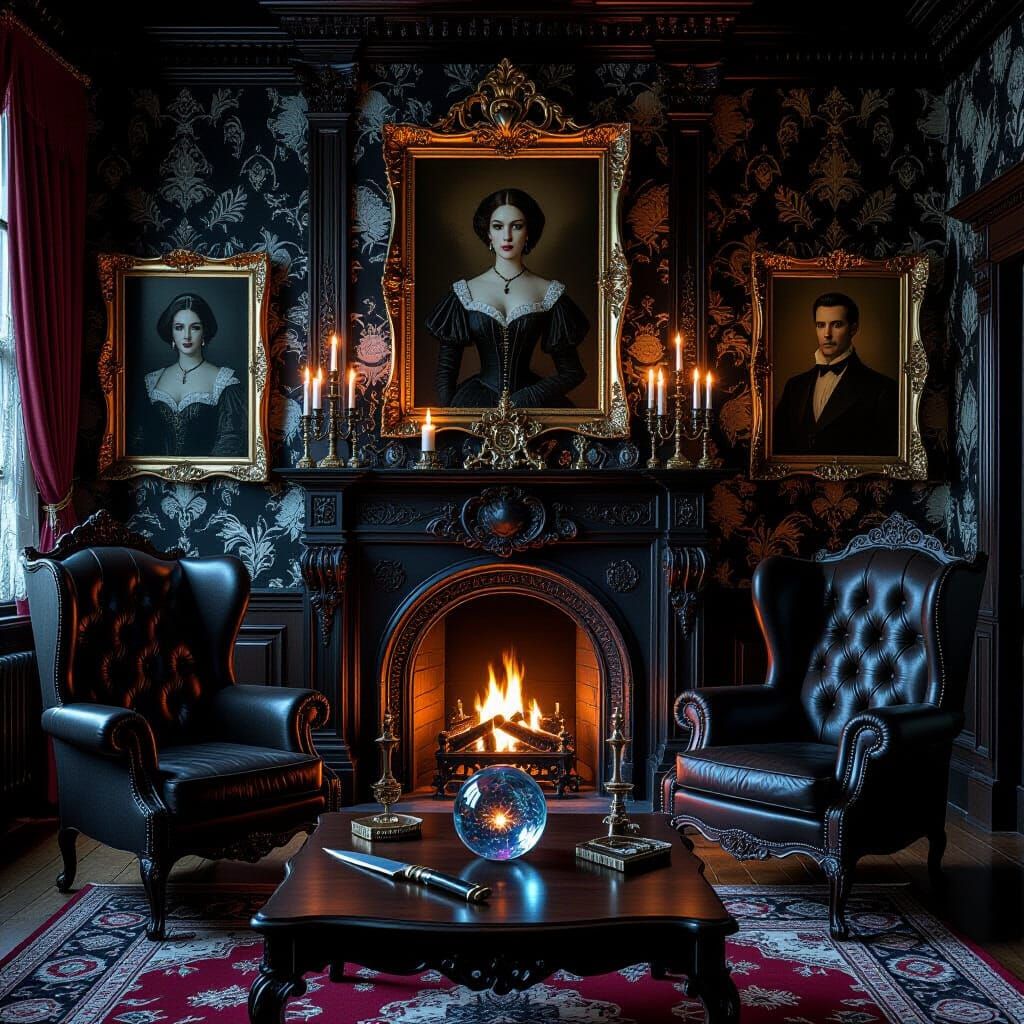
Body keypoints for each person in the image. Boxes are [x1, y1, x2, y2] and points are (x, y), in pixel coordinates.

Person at [425, 188, 588, 408]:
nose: (507, 236)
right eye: (498, 226)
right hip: (475, 402)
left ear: (528, 232)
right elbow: (445, 375)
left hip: (531, 406)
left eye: (517, 226)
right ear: (488, 233)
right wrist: (451, 420)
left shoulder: (549, 292)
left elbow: (572, 372)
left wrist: (529, 396)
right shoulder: (465, 292)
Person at [773, 292, 898, 457]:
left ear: (853, 328)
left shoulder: (882, 389)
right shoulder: (794, 386)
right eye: (820, 325)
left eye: (837, 324)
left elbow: (885, 456)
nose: (827, 334)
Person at [130, 293, 246, 458]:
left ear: (204, 332)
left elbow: (231, 443)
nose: (186, 335)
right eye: (179, 327)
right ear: (171, 332)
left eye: (195, 327)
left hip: (209, 480)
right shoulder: (151, 381)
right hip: (154, 479)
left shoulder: (225, 382)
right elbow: (138, 441)